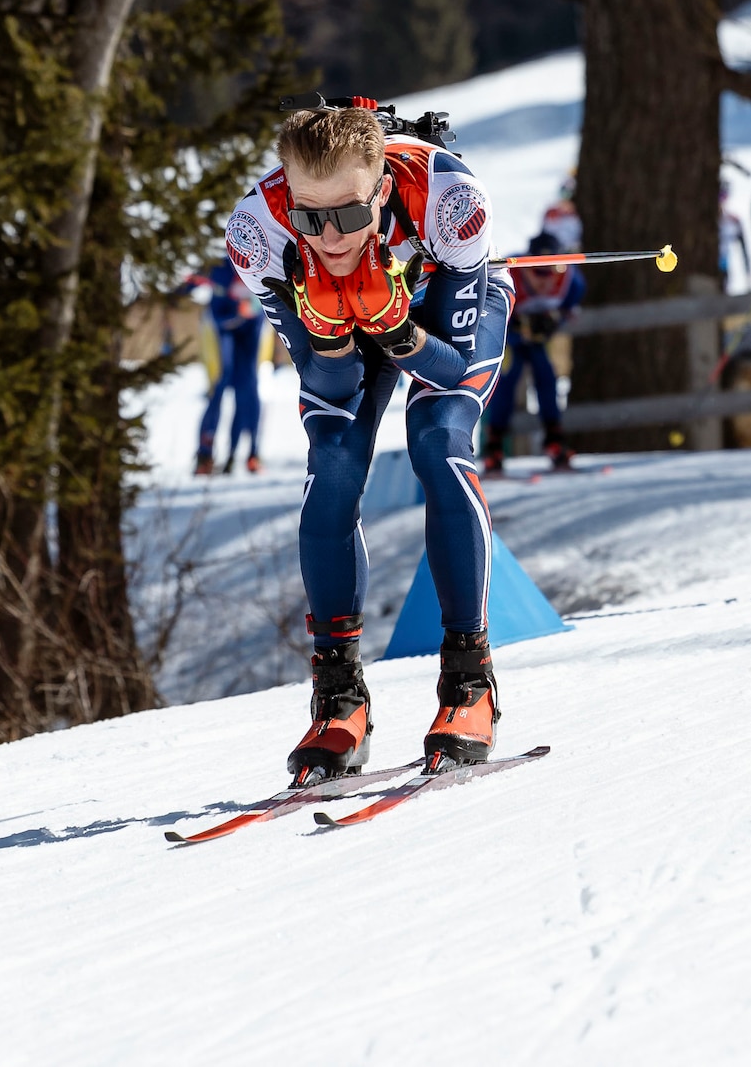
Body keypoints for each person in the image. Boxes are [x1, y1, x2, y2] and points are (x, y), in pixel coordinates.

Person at [225, 103, 512, 783]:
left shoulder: (450, 203)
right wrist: (327, 329)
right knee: (332, 461)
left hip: (436, 304)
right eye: (310, 216)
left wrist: (395, 325)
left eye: (349, 215)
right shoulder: (257, 231)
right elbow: (332, 380)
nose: (328, 236)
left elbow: (452, 362)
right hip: (345, 322)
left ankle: (470, 681)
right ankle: (339, 698)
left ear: (381, 190)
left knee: (438, 441)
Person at [483, 232, 586, 473]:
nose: (545, 279)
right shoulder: (512, 271)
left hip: (539, 340)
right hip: (510, 339)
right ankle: (495, 445)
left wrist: (554, 321)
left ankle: (554, 440)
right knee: (506, 381)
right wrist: (517, 325)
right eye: (538, 270)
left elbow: (571, 306)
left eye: (553, 269)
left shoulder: (570, 280)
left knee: (546, 377)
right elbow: (489, 302)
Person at [188, 259, 267, 476]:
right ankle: (205, 454)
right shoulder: (220, 267)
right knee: (219, 385)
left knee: (249, 387)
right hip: (220, 328)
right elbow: (188, 283)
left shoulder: (263, 261)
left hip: (252, 328)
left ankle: (249, 452)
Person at [719, 182, 751, 290]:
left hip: (723, 267)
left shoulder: (733, 221)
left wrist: (748, 275)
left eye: (724, 196)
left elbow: (744, 250)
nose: (720, 201)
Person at [541, 173, 582, 252]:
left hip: (569, 252)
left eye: (569, 195)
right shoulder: (551, 212)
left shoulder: (577, 215)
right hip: (552, 250)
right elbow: (544, 233)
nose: (565, 198)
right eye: (563, 193)